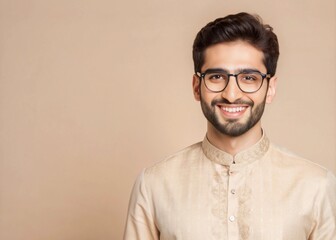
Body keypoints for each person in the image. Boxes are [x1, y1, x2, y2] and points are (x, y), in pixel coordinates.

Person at [123, 12, 336, 239]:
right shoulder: (154, 185)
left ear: (270, 88)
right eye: (216, 77)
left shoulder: (315, 187)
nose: (232, 94)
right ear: (197, 86)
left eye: (249, 78)